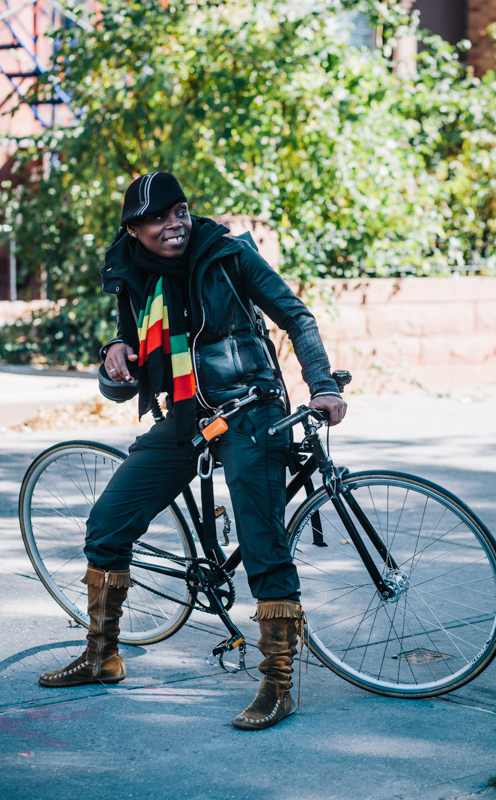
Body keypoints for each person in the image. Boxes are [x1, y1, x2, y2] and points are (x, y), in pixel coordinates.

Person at [38, 172, 347, 730]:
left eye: (178, 211)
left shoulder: (227, 254)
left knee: (263, 547)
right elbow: (129, 345)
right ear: (134, 230)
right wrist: (116, 352)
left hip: (249, 410)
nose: (174, 224)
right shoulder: (130, 273)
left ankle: (278, 683)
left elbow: (295, 315)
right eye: (158, 218)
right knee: (106, 526)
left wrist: (321, 383)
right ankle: (103, 655)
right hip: (184, 417)